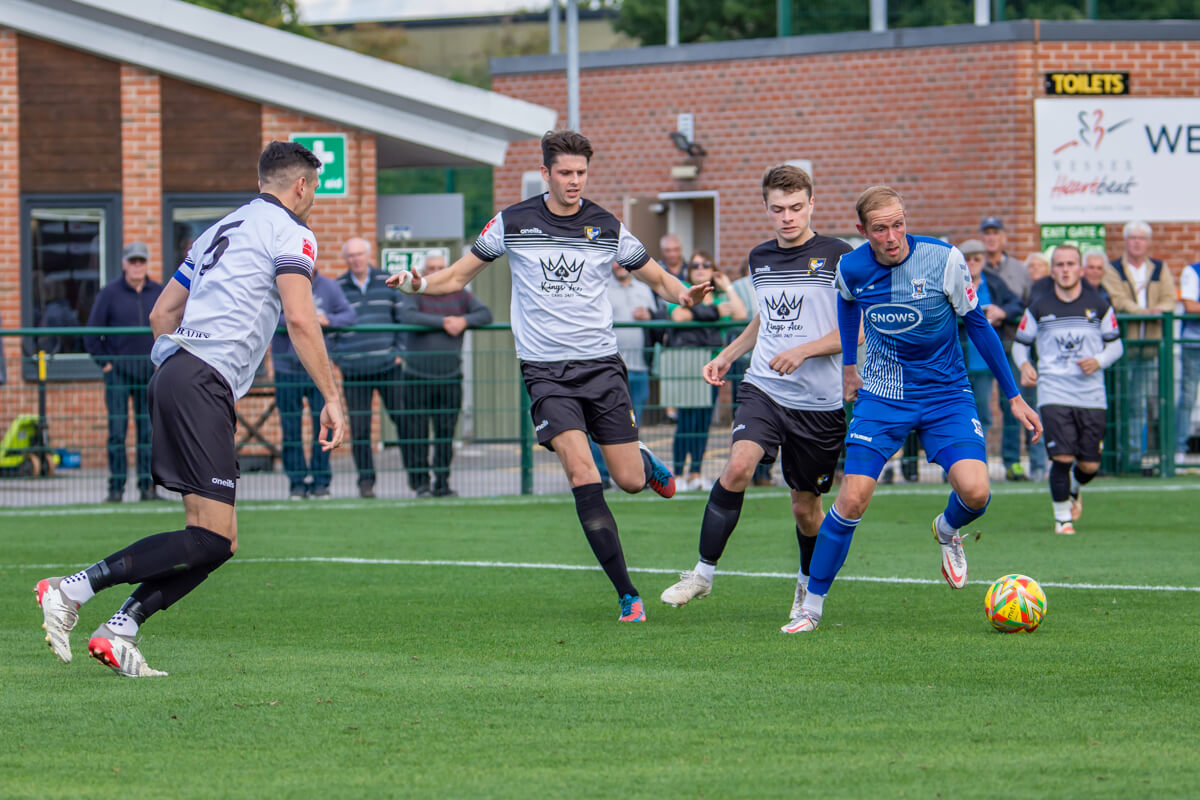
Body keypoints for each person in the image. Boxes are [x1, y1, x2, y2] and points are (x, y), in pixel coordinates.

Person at [35, 141, 347, 676]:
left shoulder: (217, 230)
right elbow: (300, 319)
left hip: (182, 372)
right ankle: (72, 589)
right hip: (201, 379)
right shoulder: (292, 232)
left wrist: (176, 361)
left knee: (216, 542)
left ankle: (121, 629)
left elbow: (163, 310)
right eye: (314, 187)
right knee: (210, 537)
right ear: (301, 185)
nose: (314, 196)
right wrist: (332, 397)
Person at [387, 129, 709, 623]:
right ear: (546, 173)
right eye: (565, 173)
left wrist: (684, 294)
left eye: (581, 172)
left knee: (625, 480)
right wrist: (417, 284)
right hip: (545, 373)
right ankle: (628, 594)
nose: (574, 181)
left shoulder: (606, 225)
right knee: (582, 472)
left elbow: (656, 277)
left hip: (601, 367)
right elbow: (456, 276)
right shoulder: (513, 221)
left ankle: (642, 464)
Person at [784, 186, 1041, 634]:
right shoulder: (852, 266)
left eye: (898, 223)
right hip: (883, 395)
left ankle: (946, 527)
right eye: (880, 228)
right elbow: (847, 305)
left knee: (977, 493)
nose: (892, 236)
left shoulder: (944, 259)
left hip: (946, 394)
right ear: (863, 231)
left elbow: (978, 325)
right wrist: (849, 365)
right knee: (850, 498)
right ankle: (811, 606)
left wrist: (1014, 395)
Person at [659, 164, 853, 621]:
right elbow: (765, 321)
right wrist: (728, 355)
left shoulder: (840, 256)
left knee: (806, 508)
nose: (787, 216)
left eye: (796, 207)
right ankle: (702, 574)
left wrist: (804, 351)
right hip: (764, 387)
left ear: (812, 204)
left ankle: (807, 587)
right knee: (739, 466)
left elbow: (858, 331)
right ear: (765, 207)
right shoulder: (759, 258)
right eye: (778, 208)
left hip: (818, 404)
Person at [1012, 244, 1122, 534]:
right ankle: (1063, 518)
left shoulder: (1099, 305)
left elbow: (1116, 345)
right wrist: (1025, 365)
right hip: (1053, 391)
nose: (1065, 269)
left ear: (1080, 269)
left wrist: (1098, 360)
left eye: (1070, 264)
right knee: (1061, 457)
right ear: (1053, 270)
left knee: (1088, 466)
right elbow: (1020, 345)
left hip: (1092, 395)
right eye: (1059, 264)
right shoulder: (1039, 307)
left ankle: (1075, 487)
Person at [397, 251, 493, 497]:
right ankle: (420, 484)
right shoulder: (414, 291)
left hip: (450, 375)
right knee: (416, 433)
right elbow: (407, 315)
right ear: (424, 270)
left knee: (445, 433)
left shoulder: (460, 293)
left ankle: (442, 483)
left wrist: (462, 321)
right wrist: (443, 322)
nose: (436, 270)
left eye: (440, 266)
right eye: (431, 267)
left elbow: (485, 314)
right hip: (417, 375)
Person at [84, 242, 165, 503]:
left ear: (147, 263)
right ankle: (116, 488)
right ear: (124, 264)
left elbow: (173, 324)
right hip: (118, 371)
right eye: (133, 261)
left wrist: (163, 359)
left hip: (149, 370)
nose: (137, 266)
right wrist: (105, 362)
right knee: (117, 430)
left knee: (148, 431)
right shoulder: (109, 293)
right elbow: (93, 333)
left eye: (141, 261)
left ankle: (148, 487)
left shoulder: (159, 291)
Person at [662, 252, 747, 490]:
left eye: (706, 265)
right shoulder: (681, 289)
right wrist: (717, 312)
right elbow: (678, 315)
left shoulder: (719, 295)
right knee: (685, 421)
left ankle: (696, 472)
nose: (700, 269)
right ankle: (678, 472)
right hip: (686, 361)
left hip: (711, 364)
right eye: (696, 265)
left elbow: (740, 313)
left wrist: (727, 287)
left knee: (702, 421)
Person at [334, 237, 408, 498]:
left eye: (359, 254)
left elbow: (402, 317)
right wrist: (338, 357)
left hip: (389, 365)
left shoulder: (387, 281)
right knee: (360, 428)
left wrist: (400, 352)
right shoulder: (338, 287)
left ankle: (417, 479)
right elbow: (329, 327)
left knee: (403, 420)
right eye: (350, 255)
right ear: (346, 259)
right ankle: (366, 483)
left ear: (368, 256)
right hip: (354, 370)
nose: (355, 259)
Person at [272, 271, 355, 499]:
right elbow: (266, 315)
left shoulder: (329, 286)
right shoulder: (280, 283)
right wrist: (301, 318)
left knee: (324, 427)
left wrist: (327, 319)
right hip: (286, 368)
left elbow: (349, 315)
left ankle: (321, 482)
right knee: (290, 430)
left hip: (317, 370)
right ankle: (297, 483)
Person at [1100, 221, 1175, 473]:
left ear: (1148, 242)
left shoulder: (1159, 268)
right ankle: (1117, 457)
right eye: (1132, 238)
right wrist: (1144, 312)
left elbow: (1169, 299)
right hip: (1121, 347)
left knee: (1140, 404)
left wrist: (1160, 311)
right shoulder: (1113, 268)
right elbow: (1117, 300)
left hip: (1150, 348)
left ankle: (1134, 457)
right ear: (1125, 241)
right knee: (1119, 403)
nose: (1136, 242)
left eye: (1141, 238)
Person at [981, 215, 1041, 481]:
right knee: (980, 404)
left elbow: (1024, 304)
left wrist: (1002, 312)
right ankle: (975, 464)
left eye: (996, 232)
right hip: (978, 348)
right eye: (987, 233)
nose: (992, 238)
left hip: (1009, 342)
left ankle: (1012, 461)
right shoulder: (976, 269)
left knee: (1013, 402)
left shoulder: (1018, 269)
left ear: (1003, 237)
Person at [588, 259, 657, 488]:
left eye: (622, 262)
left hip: (639, 368)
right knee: (601, 422)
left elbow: (659, 324)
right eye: (614, 262)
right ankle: (602, 476)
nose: (618, 266)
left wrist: (649, 317)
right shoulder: (601, 288)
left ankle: (632, 473)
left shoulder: (645, 290)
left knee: (632, 424)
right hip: (607, 368)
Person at [959, 238, 1023, 457]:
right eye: (967, 259)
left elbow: (1016, 304)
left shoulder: (994, 282)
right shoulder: (955, 284)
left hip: (991, 359)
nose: (972, 263)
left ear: (983, 260)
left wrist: (1001, 312)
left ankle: (986, 459)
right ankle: (961, 461)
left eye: (977, 258)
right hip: (963, 359)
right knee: (963, 414)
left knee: (990, 413)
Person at [1177, 258, 1200, 460]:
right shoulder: (1192, 271)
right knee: (1188, 396)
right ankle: (1179, 450)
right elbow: (1191, 305)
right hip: (1194, 343)